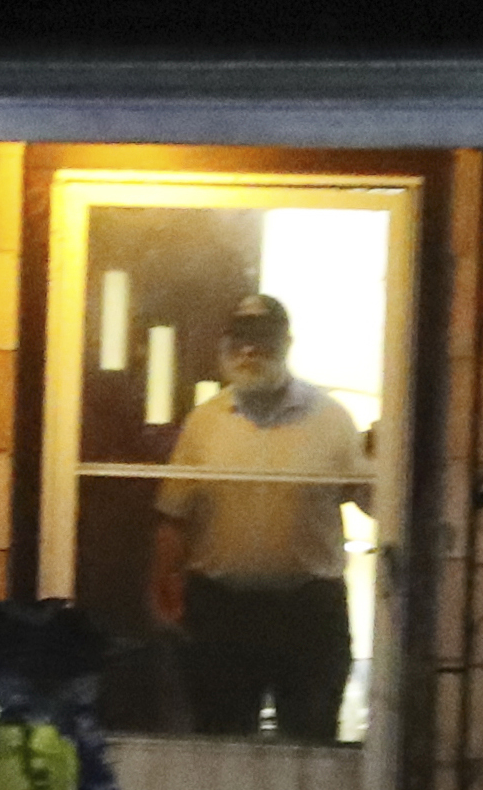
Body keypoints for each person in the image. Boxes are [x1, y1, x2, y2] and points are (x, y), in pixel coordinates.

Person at [150, 293, 370, 741]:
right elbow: (174, 514)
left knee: (312, 752)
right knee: (220, 749)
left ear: (287, 343)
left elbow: (371, 500)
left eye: (263, 340)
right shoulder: (204, 423)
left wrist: (393, 457)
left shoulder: (332, 419)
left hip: (309, 615)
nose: (249, 351)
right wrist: (163, 583)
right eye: (240, 340)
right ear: (226, 344)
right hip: (222, 616)